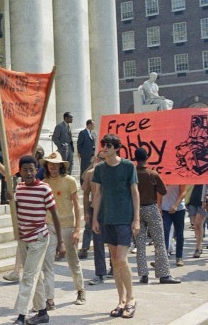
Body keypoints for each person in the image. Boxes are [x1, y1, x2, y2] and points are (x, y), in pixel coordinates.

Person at [11, 155, 65, 325]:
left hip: (39, 238)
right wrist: (10, 199)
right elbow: (17, 210)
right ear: (20, 171)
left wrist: (61, 242)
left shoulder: (44, 189)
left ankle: (21, 315)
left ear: (36, 171)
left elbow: (55, 216)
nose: (28, 173)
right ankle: (42, 312)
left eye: (31, 170)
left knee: (27, 276)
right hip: (24, 238)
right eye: (25, 169)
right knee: (35, 276)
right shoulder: (18, 189)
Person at [92, 134, 139, 319]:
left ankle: (131, 299)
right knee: (114, 260)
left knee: (121, 259)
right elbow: (98, 194)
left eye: (109, 145)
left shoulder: (128, 166)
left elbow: (135, 193)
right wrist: (95, 218)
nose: (105, 147)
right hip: (107, 218)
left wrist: (136, 219)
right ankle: (120, 300)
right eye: (104, 144)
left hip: (124, 218)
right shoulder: (100, 169)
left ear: (117, 147)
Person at [38, 152, 86, 309]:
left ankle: (80, 290)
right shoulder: (43, 183)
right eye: (49, 163)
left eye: (55, 163)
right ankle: (50, 299)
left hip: (67, 226)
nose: (52, 166)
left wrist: (78, 229)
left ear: (61, 166)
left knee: (73, 261)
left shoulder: (70, 181)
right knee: (48, 263)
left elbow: (77, 207)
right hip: (50, 226)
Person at [133, 148, 180, 284]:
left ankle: (143, 274)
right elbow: (163, 191)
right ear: (147, 158)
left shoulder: (132, 174)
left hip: (137, 209)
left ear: (135, 158)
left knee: (140, 243)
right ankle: (163, 274)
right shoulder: (152, 174)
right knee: (159, 242)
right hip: (151, 207)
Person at [82, 152, 109, 285]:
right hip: (95, 211)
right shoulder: (90, 173)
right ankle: (100, 273)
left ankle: (114, 269)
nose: (102, 160)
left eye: (105, 158)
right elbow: (86, 194)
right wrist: (86, 212)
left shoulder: (114, 172)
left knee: (113, 243)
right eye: (100, 158)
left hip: (111, 211)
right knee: (98, 243)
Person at [162, 185, 187, 267]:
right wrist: (158, 206)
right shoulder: (163, 177)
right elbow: (158, 192)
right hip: (165, 209)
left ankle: (179, 257)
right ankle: (163, 259)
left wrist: (176, 205)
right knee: (165, 231)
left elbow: (183, 192)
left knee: (179, 234)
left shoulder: (179, 175)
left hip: (179, 209)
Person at [189, 185, 207, 258]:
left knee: (198, 224)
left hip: (204, 201)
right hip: (192, 198)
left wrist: (204, 199)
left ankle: (198, 248)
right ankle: (200, 246)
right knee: (196, 225)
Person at [77, 119, 96, 186]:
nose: (94, 126)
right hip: (85, 154)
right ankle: (82, 183)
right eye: (93, 124)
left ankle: (88, 183)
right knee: (84, 169)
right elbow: (79, 143)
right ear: (89, 125)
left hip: (91, 155)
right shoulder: (83, 133)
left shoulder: (92, 133)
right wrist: (79, 152)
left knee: (89, 169)